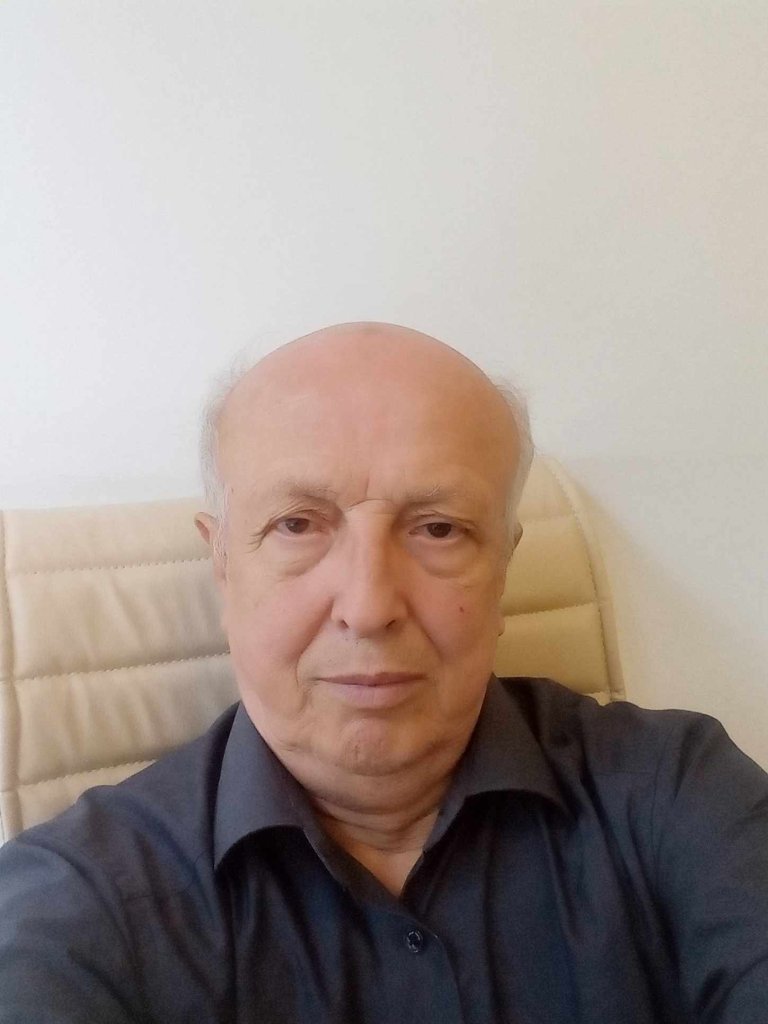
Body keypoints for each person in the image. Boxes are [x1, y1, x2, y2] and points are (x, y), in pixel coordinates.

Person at [0, 322, 766, 1023]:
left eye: (439, 529)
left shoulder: (679, 790)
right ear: (223, 568)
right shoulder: (75, 900)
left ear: (503, 570)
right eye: (297, 524)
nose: (368, 608)